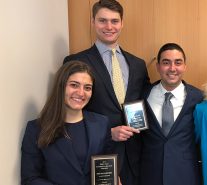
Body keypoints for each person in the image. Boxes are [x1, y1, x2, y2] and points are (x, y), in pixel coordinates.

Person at [63, 1, 150, 184]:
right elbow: (70, 111)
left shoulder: (138, 64)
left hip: (134, 156)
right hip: (96, 154)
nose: (109, 27)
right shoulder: (76, 61)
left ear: (122, 23)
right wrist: (107, 133)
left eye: (114, 21)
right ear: (93, 21)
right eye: (102, 20)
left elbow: (144, 104)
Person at [21, 61, 112, 185]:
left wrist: (113, 178)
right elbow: (30, 179)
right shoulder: (36, 129)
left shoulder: (102, 123)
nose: (81, 93)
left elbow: (106, 167)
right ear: (61, 86)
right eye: (74, 85)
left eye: (87, 88)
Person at [140, 43, 202, 185]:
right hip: (149, 175)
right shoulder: (142, 95)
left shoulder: (199, 98)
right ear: (158, 66)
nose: (172, 68)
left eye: (178, 63)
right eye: (166, 63)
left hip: (186, 175)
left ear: (185, 66)